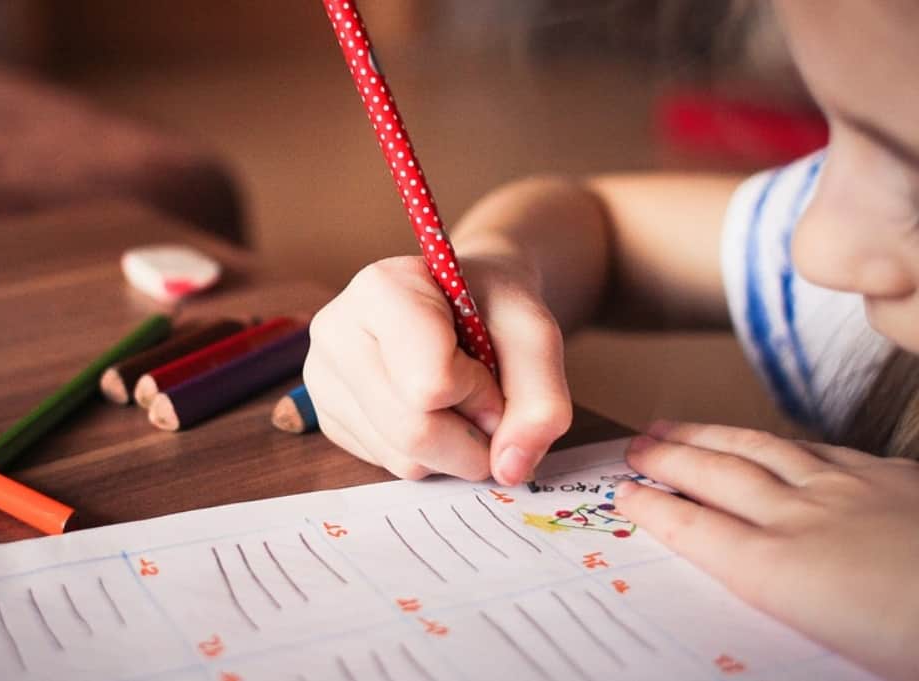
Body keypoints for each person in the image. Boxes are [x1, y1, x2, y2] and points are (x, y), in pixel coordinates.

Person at [302, 2, 919, 679]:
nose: (814, 246)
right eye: (832, 140)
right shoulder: (860, 258)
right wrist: (498, 269)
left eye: (915, 181)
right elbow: (602, 226)